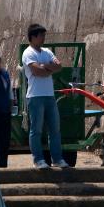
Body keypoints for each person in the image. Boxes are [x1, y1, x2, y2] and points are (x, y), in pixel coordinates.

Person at [23, 23, 69, 170]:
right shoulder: (28, 53)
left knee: (55, 129)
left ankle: (57, 159)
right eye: (41, 35)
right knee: (36, 130)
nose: (44, 38)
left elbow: (59, 66)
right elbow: (37, 72)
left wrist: (45, 67)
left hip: (49, 96)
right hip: (35, 97)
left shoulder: (47, 51)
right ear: (33, 37)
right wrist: (49, 68)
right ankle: (38, 160)